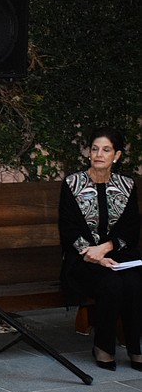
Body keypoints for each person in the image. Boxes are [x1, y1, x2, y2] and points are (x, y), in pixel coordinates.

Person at [59, 128, 142, 371]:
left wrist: (106, 248)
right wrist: (93, 255)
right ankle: (103, 347)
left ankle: (135, 347)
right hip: (81, 259)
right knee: (112, 282)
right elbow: (67, 229)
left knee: (134, 281)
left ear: (116, 155)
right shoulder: (72, 184)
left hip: (117, 255)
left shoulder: (127, 185)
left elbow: (130, 231)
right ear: (88, 153)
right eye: (95, 149)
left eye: (106, 150)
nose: (99, 154)